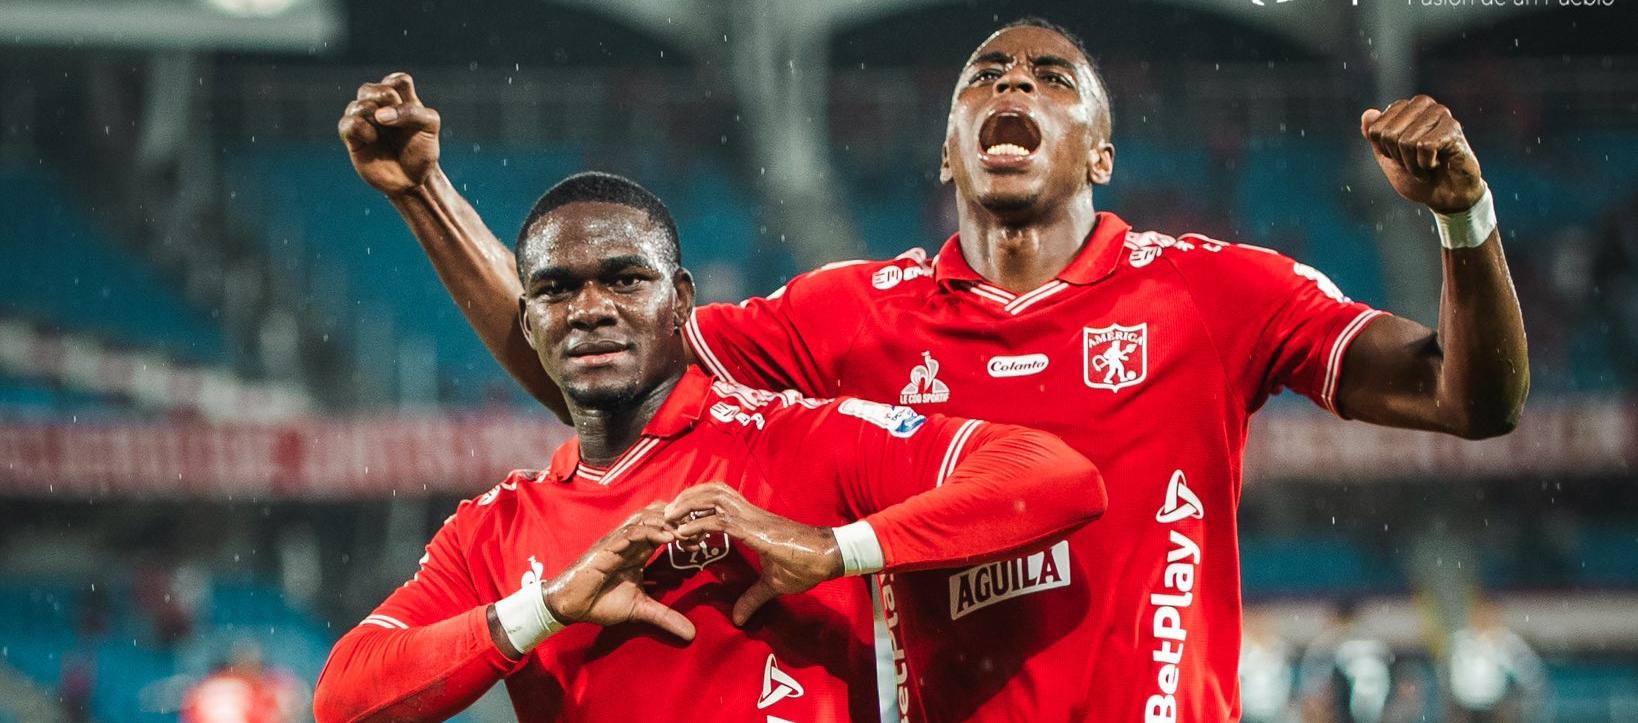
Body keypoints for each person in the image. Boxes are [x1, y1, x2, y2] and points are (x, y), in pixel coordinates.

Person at [337, 16, 1529, 722]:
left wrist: (1465, 222)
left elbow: (1469, 400)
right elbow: (591, 359)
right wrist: (425, 196)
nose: (1012, 88)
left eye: (1050, 80)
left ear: (1100, 148)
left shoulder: (1218, 289)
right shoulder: (849, 314)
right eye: (985, 81)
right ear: (946, 147)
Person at [310, 172, 1106, 721]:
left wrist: (834, 548)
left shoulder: (799, 439)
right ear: (529, 324)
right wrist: (546, 606)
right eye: (555, 288)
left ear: (681, 300)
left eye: (624, 279)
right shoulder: (496, 527)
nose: (588, 308)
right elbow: (343, 695)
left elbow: (1055, 476)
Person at [1444, 601, 1546, 722]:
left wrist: (1525, 703)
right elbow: (1445, 673)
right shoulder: (1460, 640)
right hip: (1463, 708)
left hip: (1494, 708)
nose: (1484, 620)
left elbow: (1530, 673)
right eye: (1481, 615)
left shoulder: (1507, 642)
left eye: (1488, 615)